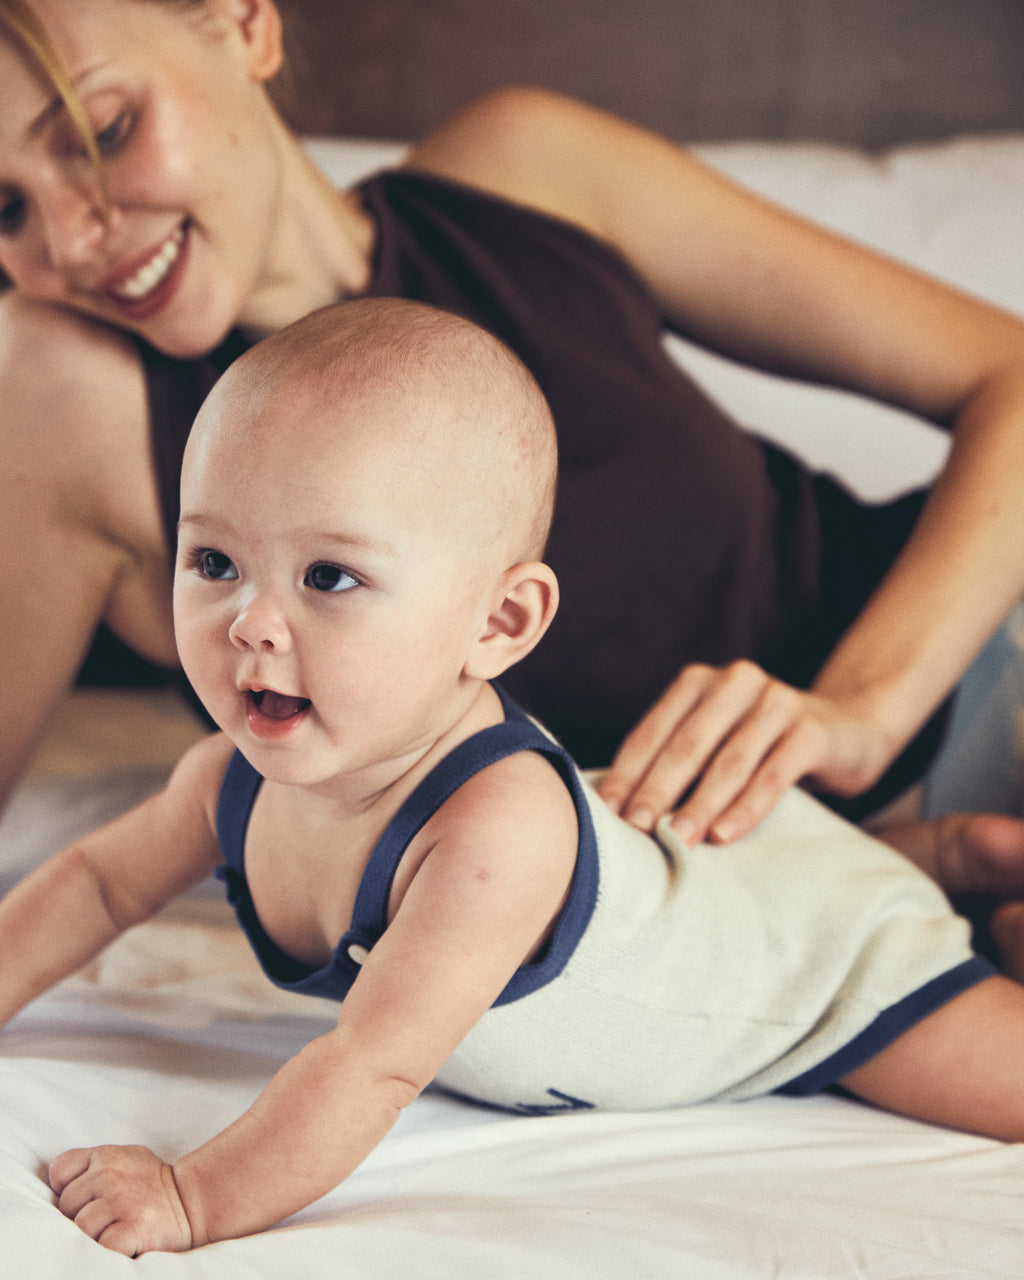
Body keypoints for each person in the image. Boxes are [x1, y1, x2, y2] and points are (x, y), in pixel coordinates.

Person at [1, 297, 1023, 1255]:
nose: (250, 622)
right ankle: (940, 857)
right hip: (715, 880)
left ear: (498, 623)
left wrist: (194, 1193)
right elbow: (96, 882)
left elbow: (369, 1061)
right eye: (213, 560)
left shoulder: (493, 829)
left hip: (817, 968)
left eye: (330, 577)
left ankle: (923, 883)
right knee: (731, 882)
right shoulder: (227, 778)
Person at [3, 1, 1024, 878]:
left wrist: (857, 710)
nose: (69, 241)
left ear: (243, 22)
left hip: (976, 669)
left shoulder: (522, 172)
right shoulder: (69, 402)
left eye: (103, 131)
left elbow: (1010, 377)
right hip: (805, 910)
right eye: (4, 209)